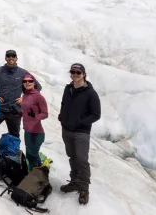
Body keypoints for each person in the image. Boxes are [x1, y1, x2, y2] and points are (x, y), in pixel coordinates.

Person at [59, 63, 101, 206]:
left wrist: (81, 122)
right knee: (72, 157)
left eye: (78, 72)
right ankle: (74, 182)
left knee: (82, 159)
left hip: (81, 132)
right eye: (73, 72)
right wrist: (62, 117)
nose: (75, 74)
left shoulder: (90, 93)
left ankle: (84, 188)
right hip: (67, 130)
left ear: (84, 74)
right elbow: (64, 104)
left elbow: (96, 114)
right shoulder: (68, 88)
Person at [0, 49, 41, 141]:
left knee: (14, 137)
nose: (11, 58)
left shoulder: (23, 73)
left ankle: (12, 155)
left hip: (15, 111)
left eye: (13, 56)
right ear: (5, 58)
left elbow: (37, 87)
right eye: (9, 56)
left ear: (17, 58)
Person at [21, 73, 49, 170]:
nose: (27, 83)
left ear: (34, 83)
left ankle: (33, 177)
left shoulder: (38, 96)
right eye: (25, 81)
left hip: (37, 132)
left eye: (30, 81)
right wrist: (18, 113)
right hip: (27, 131)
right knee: (29, 155)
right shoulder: (25, 96)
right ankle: (38, 171)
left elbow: (45, 114)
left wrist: (36, 116)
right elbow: (26, 112)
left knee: (32, 155)